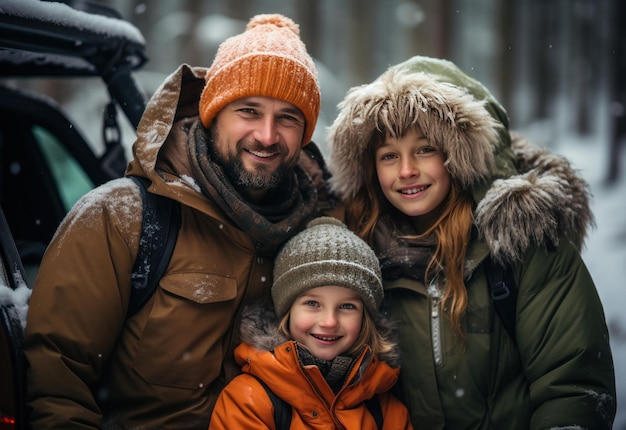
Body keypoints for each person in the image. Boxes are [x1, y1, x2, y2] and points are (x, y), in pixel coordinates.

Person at [24, 14, 340, 429]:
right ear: (213, 114)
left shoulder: (319, 232)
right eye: (248, 110)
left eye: (288, 118)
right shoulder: (123, 217)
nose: (266, 135)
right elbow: (57, 384)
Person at [326, 55, 616, 429]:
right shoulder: (359, 253)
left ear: (460, 154)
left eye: (425, 149)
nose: (407, 170)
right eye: (389, 156)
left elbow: (572, 387)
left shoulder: (523, 242)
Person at [209, 216, 413, 429]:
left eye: (347, 306)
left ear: (365, 318)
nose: (329, 321)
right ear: (288, 310)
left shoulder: (384, 407)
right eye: (313, 303)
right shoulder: (249, 401)